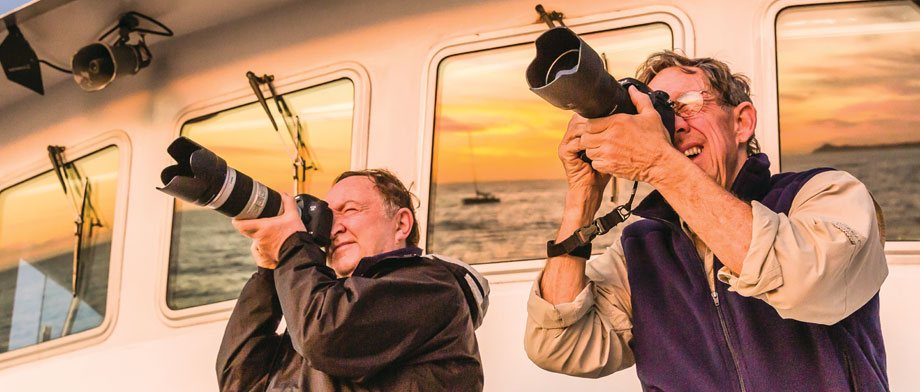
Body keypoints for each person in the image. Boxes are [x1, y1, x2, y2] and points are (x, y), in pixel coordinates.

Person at [524, 51, 889, 391]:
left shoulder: (825, 194)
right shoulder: (639, 251)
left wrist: (659, 163)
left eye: (688, 105)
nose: (675, 126)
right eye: (660, 113)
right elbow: (559, 344)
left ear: (742, 122)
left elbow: (803, 280)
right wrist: (582, 197)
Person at [217, 169, 489, 391]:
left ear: (401, 224)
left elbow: (322, 336)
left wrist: (291, 243)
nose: (334, 228)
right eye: (328, 217)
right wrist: (269, 270)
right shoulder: (327, 307)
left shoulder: (431, 288)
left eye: (350, 210)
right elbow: (239, 380)